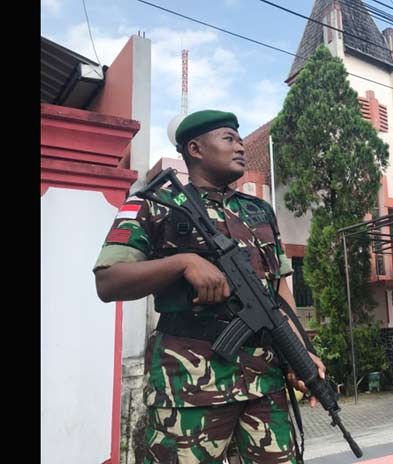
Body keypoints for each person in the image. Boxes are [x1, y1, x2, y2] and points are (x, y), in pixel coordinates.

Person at [94, 109, 325, 464]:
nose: (241, 147)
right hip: (189, 389)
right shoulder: (154, 205)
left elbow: (279, 293)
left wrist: (301, 352)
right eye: (228, 139)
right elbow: (109, 281)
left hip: (265, 383)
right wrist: (182, 263)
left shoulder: (259, 212)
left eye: (241, 139)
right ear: (196, 149)